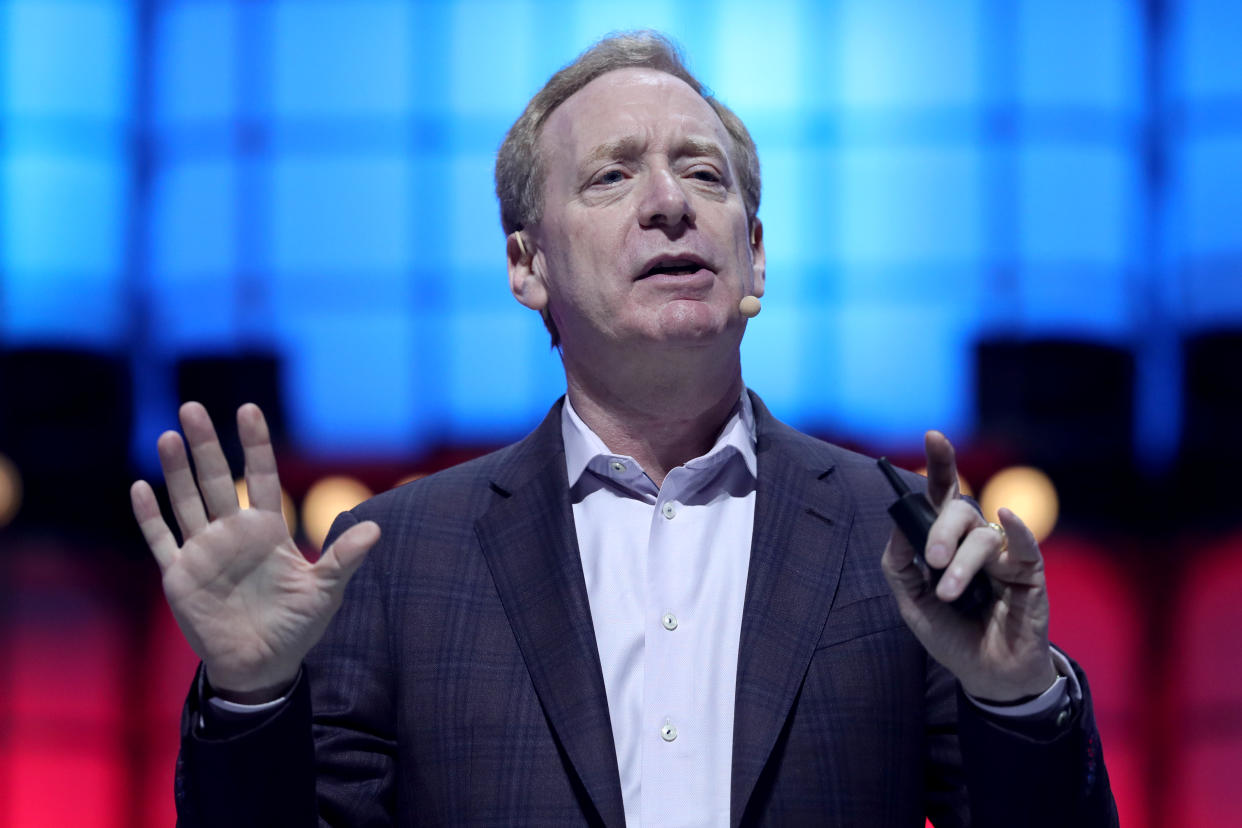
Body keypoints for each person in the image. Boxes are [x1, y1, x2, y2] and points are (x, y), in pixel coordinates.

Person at [131, 31, 1117, 827]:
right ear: (528, 265)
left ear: (756, 257)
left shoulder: (895, 535)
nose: (669, 204)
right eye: (612, 177)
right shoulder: (395, 559)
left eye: (704, 175)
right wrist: (253, 695)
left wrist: (1017, 696)